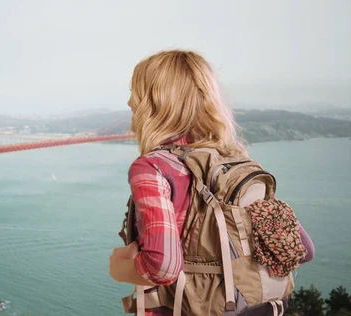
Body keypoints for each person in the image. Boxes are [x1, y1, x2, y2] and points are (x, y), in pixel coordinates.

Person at [109, 50, 314, 315]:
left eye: (135, 92)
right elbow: (303, 250)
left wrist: (121, 268)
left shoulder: (152, 167)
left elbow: (164, 267)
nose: (129, 103)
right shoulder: (234, 161)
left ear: (155, 102)